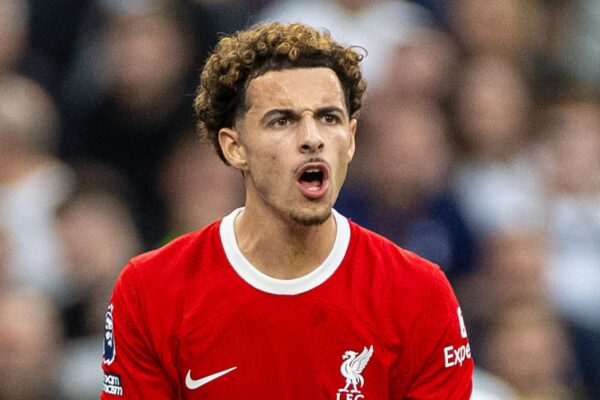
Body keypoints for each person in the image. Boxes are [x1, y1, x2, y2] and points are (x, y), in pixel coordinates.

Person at [100, 22, 473, 399]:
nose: (313, 139)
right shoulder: (150, 290)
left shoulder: (420, 294)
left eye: (329, 118)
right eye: (282, 120)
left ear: (351, 140)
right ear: (234, 147)